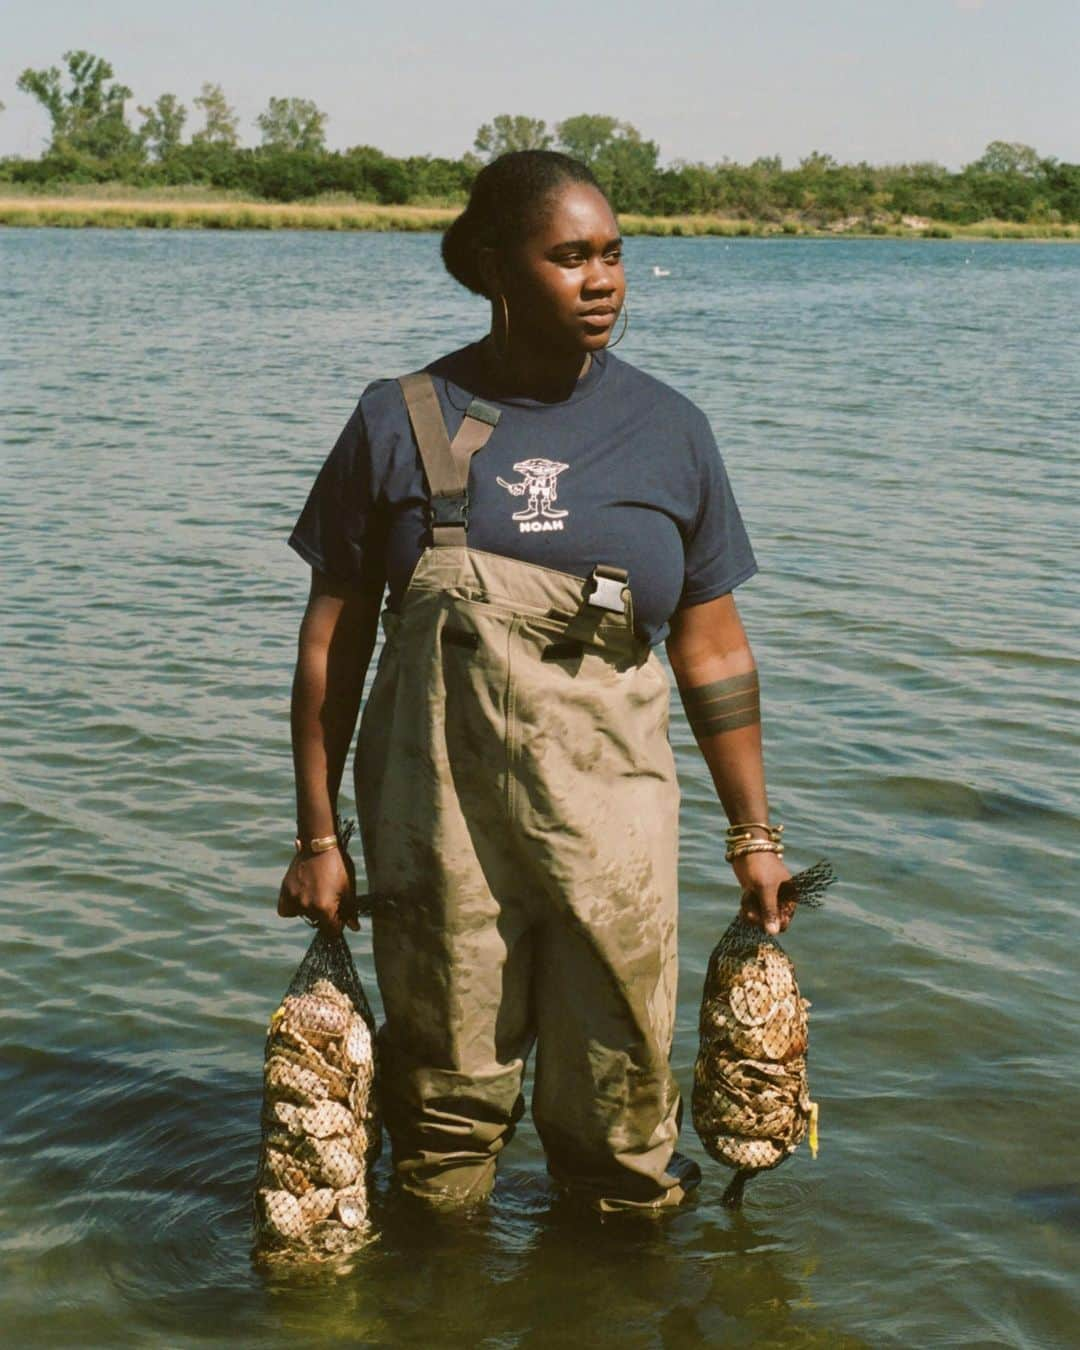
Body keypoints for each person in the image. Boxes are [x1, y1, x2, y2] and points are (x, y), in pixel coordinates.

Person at [277, 150, 793, 1215]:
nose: (601, 279)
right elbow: (332, 648)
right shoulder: (399, 420)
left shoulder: (669, 429)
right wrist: (321, 841)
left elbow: (713, 650)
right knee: (443, 1126)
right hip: (440, 830)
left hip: (615, 827)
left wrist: (755, 836)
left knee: (622, 1114)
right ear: (496, 272)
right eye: (569, 257)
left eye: (611, 254)